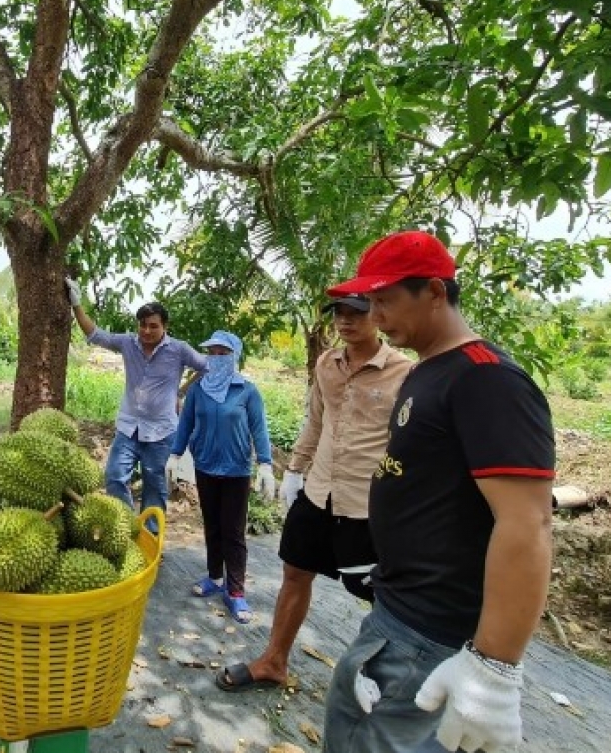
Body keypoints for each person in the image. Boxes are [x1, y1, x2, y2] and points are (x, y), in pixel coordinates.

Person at [320, 231, 555, 753]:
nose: (375, 315)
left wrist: (493, 668)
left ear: (432, 291)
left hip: (429, 632)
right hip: (401, 612)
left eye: (384, 300)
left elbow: (528, 523)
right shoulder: (429, 370)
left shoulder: (486, 381)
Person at [216, 294, 411, 688]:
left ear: (377, 314)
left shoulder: (404, 373)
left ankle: (388, 682)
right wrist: (294, 470)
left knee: (377, 593)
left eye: (355, 313)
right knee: (294, 571)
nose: (345, 321)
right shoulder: (327, 364)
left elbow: (410, 443)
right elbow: (316, 423)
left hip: (366, 503)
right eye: (339, 313)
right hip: (319, 491)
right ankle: (274, 661)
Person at [66, 278, 207, 531]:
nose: (146, 331)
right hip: (129, 428)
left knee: (155, 487)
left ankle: (151, 538)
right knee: (115, 477)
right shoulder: (128, 343)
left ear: (165, 326)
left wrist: (182, 390)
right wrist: (76, 303)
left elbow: (207, 367)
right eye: (142, 325)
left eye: (153, 326)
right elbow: (95, 334)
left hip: (162, 432)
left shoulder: (179, 350)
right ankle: (127, 529)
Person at [167, 330, 275, 623]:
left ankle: (236, 591)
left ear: (234, 356)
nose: (216, 358)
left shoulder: (247, 391)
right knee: (212, 526)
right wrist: (175, 455)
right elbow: (186, 423)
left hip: (236, 469)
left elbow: (259, 428)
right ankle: (215, 577)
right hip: (205, 465)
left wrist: (265, 463)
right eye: (211, 353)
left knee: (233, 531)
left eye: (222, 353)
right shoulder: (199, 390)